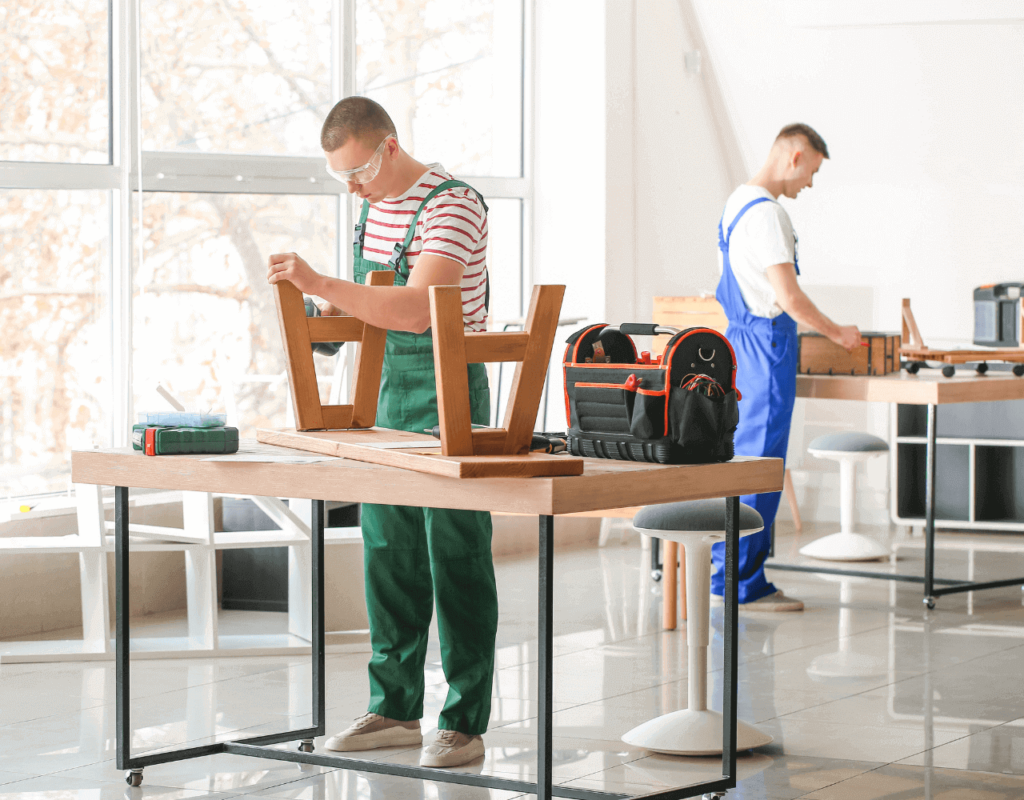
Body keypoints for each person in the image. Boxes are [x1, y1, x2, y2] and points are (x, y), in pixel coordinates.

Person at [266, 96, 495, 768]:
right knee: (387, 549)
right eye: (342, 179)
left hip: (452, 390)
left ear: (389, 146)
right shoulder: (374, 206)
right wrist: (319, 309)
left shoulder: (453, 204)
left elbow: (418, 309)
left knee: (454, 553)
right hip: (385, 390)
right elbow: (368, 305)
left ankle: (464, 719)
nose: (355, 188)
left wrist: (322, 279)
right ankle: (394, 708)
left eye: (360, 172)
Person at [710, 123, 861, 612]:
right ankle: (740, 585)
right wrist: (838, 334)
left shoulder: (737, 202)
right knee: (761, 467)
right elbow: (790, 298)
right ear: (795, 156)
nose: (809, 185)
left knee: (741, 463)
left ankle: (724, 576)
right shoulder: (770, 215)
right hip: (767, 348)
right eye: (812, 171)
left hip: (739, 342)